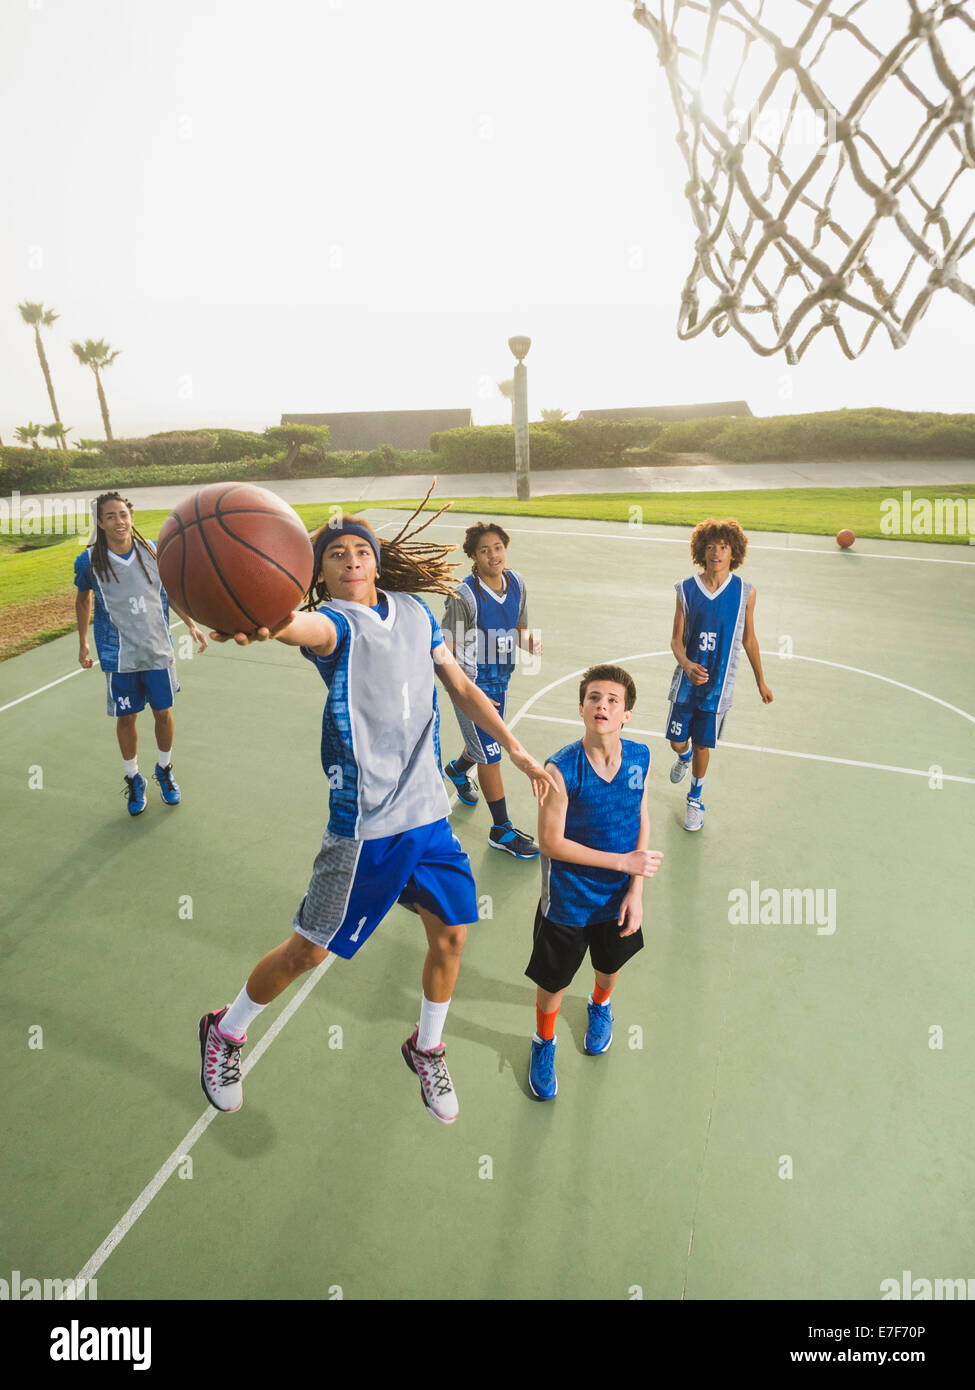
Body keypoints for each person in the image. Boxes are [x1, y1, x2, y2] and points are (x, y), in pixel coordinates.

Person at [199, 506, 556, 1126]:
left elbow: (464, 688)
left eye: (360, 552)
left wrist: (516, 749)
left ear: (377, 559)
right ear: (320, 573)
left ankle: (427, 1046)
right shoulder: (335, 625)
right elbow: (293, 627)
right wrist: (258, 618)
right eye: (337, 556)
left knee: (451, 935)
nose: (352, 562)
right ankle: (225, 1032)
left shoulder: (417, 614)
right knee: (309, 951)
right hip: (366, 826)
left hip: (428, 814)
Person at [526, 664, 663, 1102]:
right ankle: (543, 1042)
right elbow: (550, 843)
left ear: (627, 715)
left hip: (618, 897)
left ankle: (600, 1007)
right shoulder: (561, 769)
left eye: (613, 700)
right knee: (553, 985)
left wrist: (635, 889)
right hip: (567, 901)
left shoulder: (640, 757)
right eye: (594, 698)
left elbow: (640, 815)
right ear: (581, 708)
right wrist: (622, 862)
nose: (602, 705)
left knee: (609, 967)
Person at [74, 491, 207, 815]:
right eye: (110, 517)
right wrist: (82, 642)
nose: (118, 521)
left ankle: (163, 770)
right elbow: (83, 600)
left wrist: (190, 624)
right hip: (119, 654)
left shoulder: (152, 550)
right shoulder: (89, 560)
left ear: (130, 516)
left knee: (163, 712)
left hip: (157, 648)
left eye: (123, 514)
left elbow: (170, 591)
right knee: (127, 717)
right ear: (101, 523)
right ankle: (134, 777)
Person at [441, 521, 542, 859]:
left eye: (497, 547)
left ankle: (457, 770)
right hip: (471, 687)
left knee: (486, 745)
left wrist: (530, 643)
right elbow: (448, 652)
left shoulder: (518, 583)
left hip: (501, 679)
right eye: (484, 550)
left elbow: (520, 629)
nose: (493, 555)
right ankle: (501, 830)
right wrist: (467, 691)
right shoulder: (464, 595)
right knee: (492, 755)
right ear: (473, 556)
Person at [666, 517, 773, 832]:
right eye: (711, 546)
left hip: (717, 688)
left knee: (703, 745)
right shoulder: (686, 588)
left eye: (723, 547)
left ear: (733, 552)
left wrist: (760, 681)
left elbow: (748, 639)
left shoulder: (746, 593)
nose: (716, 552)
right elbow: (675, 639)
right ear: (702, 550)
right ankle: (682, 758)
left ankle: (695, 798)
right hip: (686, 684)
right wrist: (686, 664)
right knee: (676, 742)